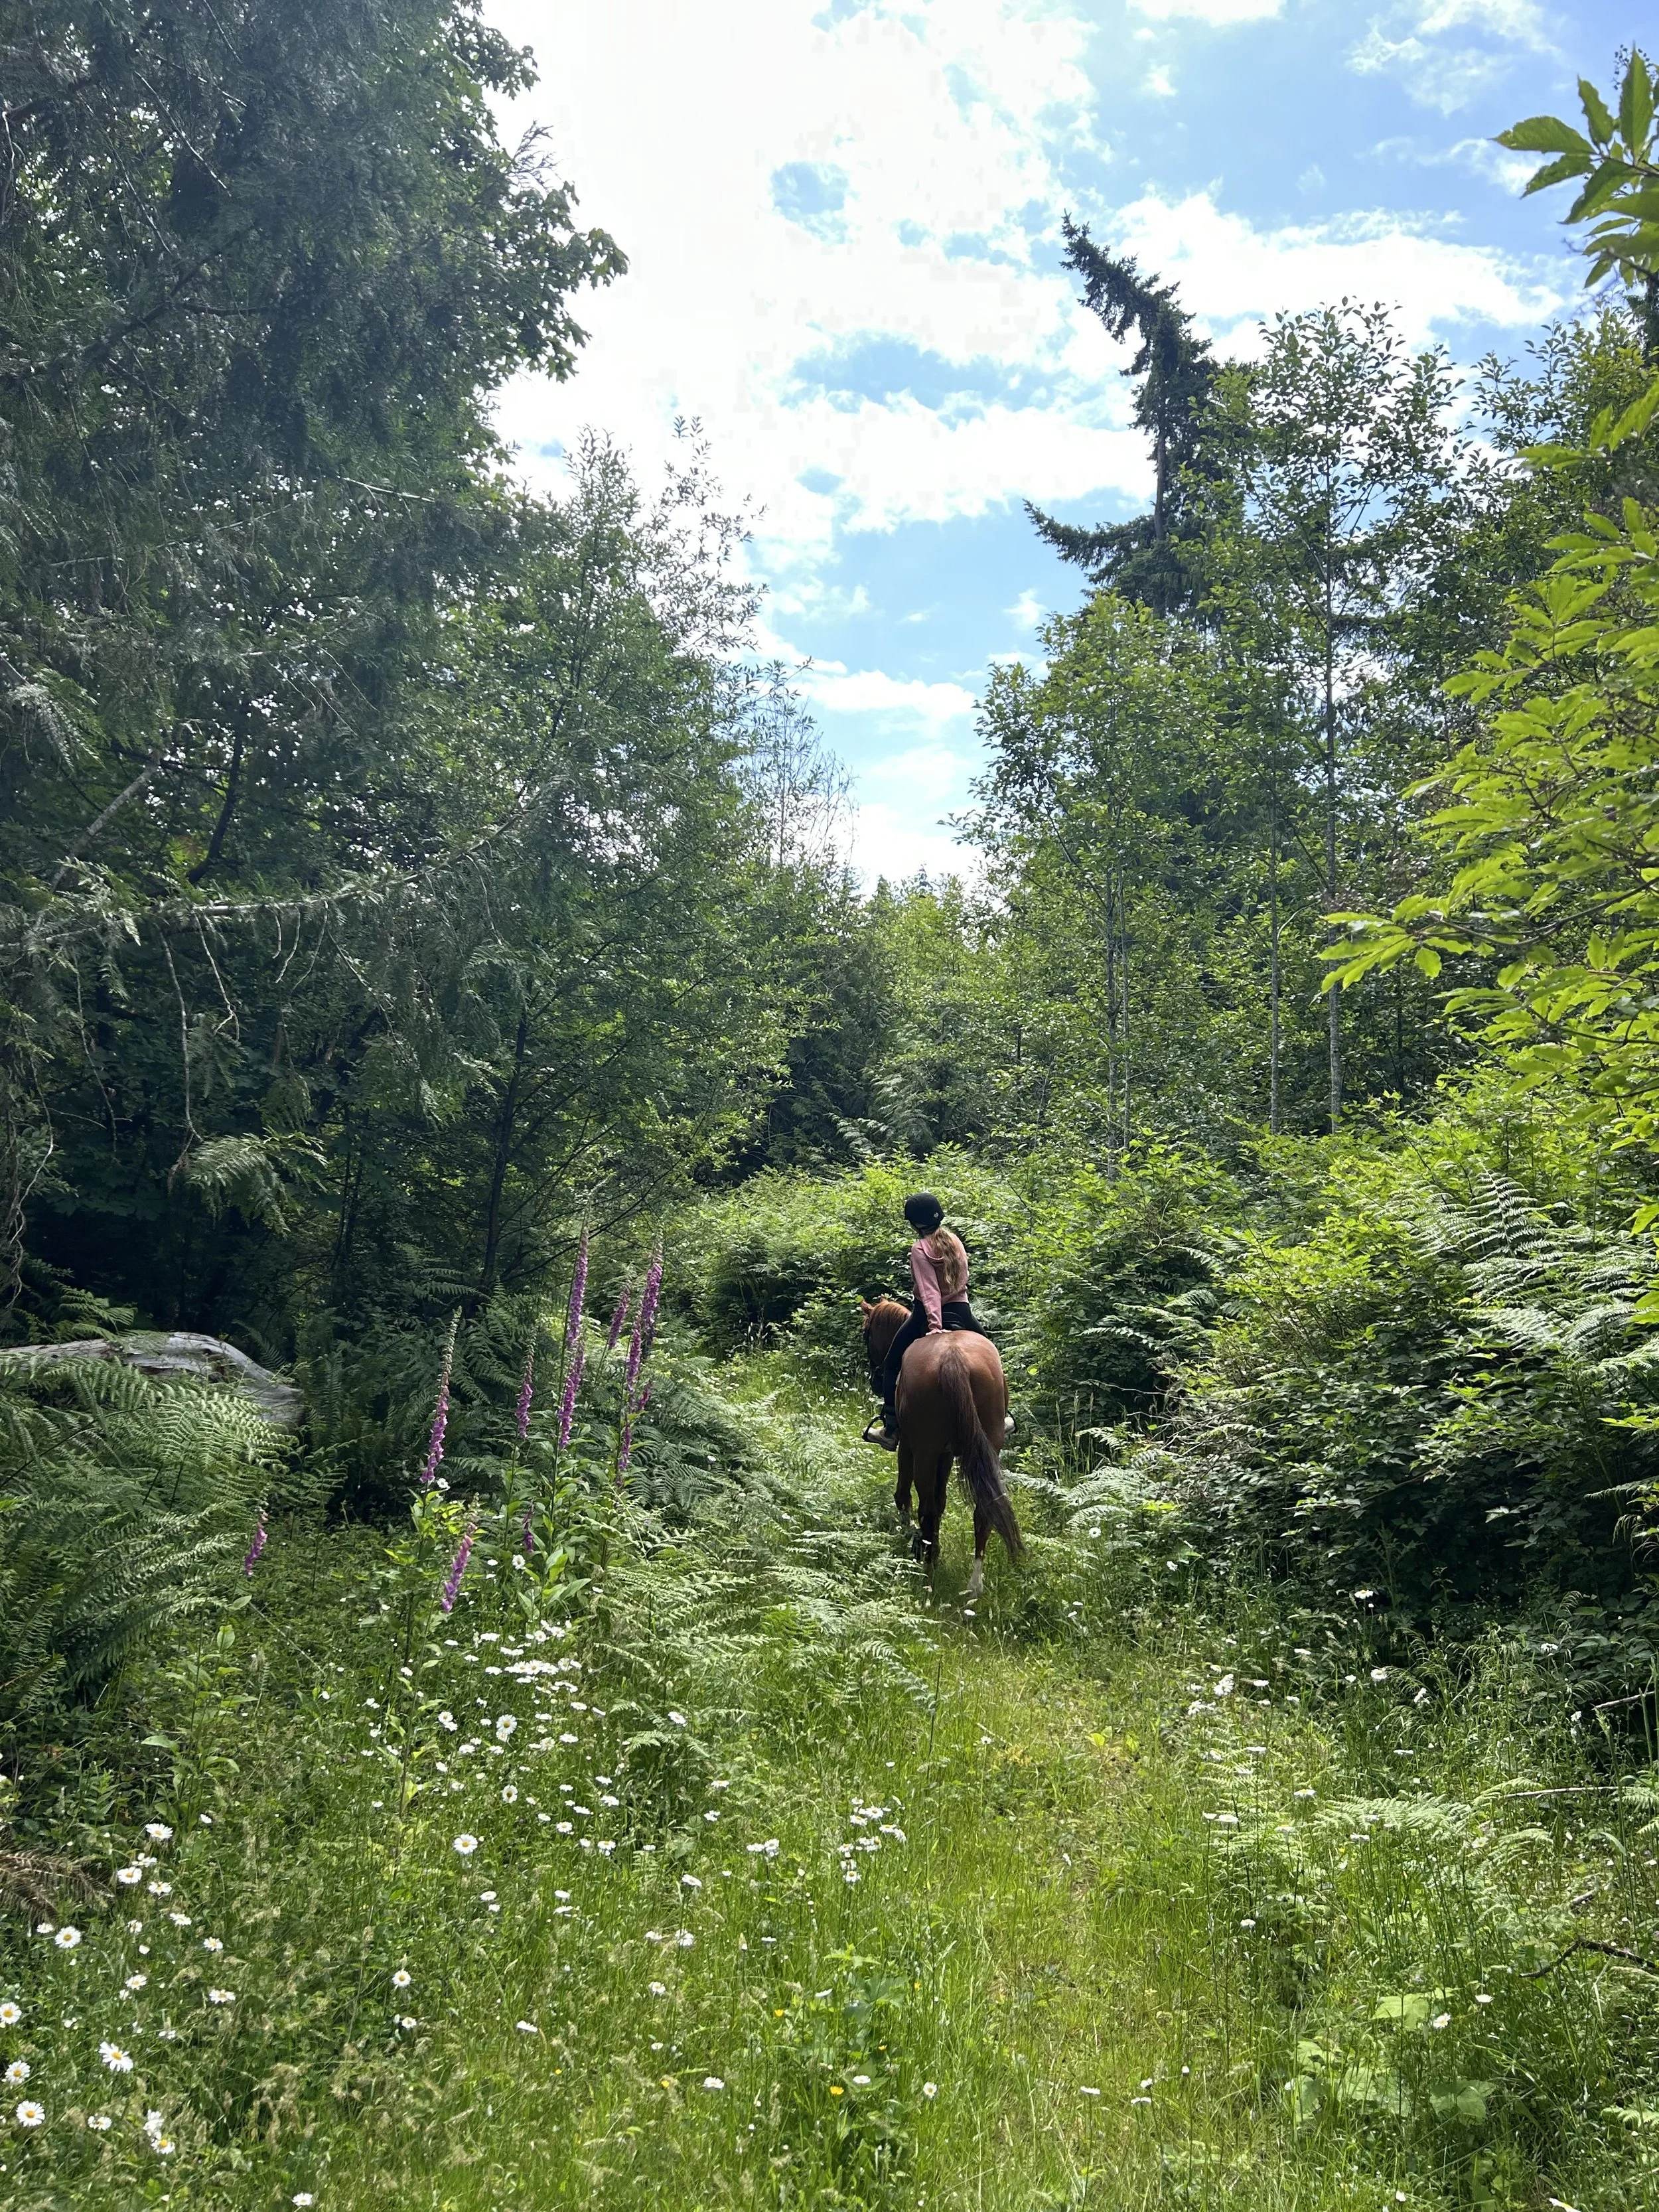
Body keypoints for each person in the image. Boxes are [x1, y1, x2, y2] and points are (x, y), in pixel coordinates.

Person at [863, 1191, 985, 1449]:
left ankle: (891, 1429)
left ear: (915, 1224)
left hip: (925, 1313)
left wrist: (935, 1326)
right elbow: (962, 1279)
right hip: (963, 1310)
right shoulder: (955, 1241)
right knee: (991, 1351)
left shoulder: (920, 1249)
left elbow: (930, 1292)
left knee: (892, 1363)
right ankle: (1005, 1415)